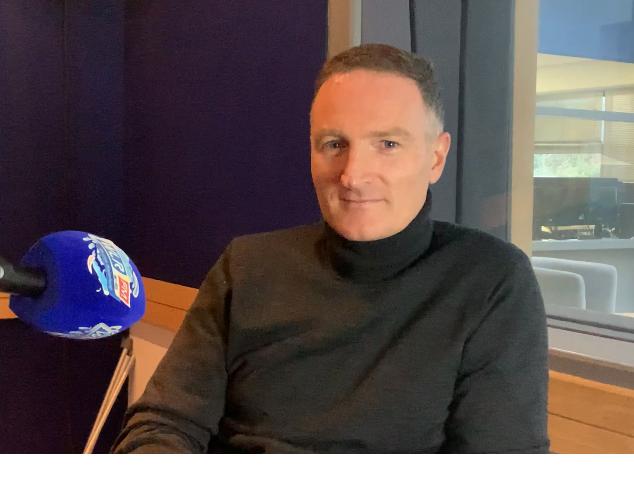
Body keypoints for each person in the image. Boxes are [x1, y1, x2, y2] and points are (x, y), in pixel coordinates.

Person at [112, 44, 550, 453]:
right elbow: (165, 422)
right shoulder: (247, 267)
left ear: (435, 158)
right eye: (334, 145)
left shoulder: (489, 280)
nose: (353, 175)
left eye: (388, 144)